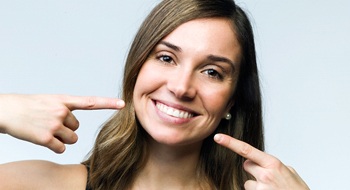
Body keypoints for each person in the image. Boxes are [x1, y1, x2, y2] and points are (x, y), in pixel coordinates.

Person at [0, 0, 310, 189]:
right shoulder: (45, 184)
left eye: (212, 72)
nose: (181, 87)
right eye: (166, 58)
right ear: (137, 67)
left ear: (232, 100)